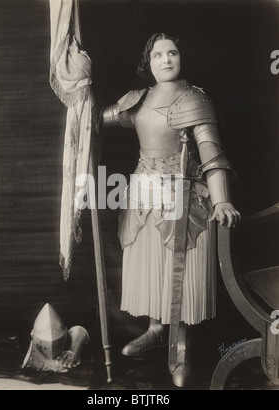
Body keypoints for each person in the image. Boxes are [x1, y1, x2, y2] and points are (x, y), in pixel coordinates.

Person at [97, 33, 241, 387]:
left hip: (184, 196)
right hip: (143, 194)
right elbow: (99, 118)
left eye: (172, 52)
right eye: (158, 54)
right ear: (148, 62)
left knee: (180, 275)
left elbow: (212, 154)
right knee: (151, 268)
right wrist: (80, 92)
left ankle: (181, 345)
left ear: (180, 58)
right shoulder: (138, 99)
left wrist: (221, 199)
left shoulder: (195, 99)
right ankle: (156, 329)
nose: (165, 59)